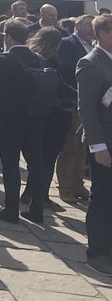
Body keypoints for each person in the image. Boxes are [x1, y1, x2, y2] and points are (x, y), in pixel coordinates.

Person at [0, 20, 48, 224]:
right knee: (36, 165)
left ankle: (11, 209)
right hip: (35, 120)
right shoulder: (39, 59)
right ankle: (37, 210)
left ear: (8, 36)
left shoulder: (4, 59)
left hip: (10, 122)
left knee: (11, 166)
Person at [76, 14, 112, 274]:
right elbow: (87, 109)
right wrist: (98, 148)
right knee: (102, 198)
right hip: (105, 144)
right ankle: (97, 251)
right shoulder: (91, 63)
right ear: (101, 35)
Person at [27, 26, 72, 215]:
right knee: (49, 158)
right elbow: (60, 88)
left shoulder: (33, 57)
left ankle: (30, 191)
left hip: (38, 114)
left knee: (38, 157)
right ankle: (41, 195)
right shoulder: (52, 61)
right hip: (55, 115)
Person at [56, 15, 95, 204]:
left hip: (90, 103)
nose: (91, 30)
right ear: (77, 26)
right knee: (69, 147)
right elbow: (64, 69)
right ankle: (64, 187)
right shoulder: (67, 43)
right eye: (88, 25)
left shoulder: (94, 46)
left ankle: (78, 183)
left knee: (83, 147)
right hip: (73, 102)